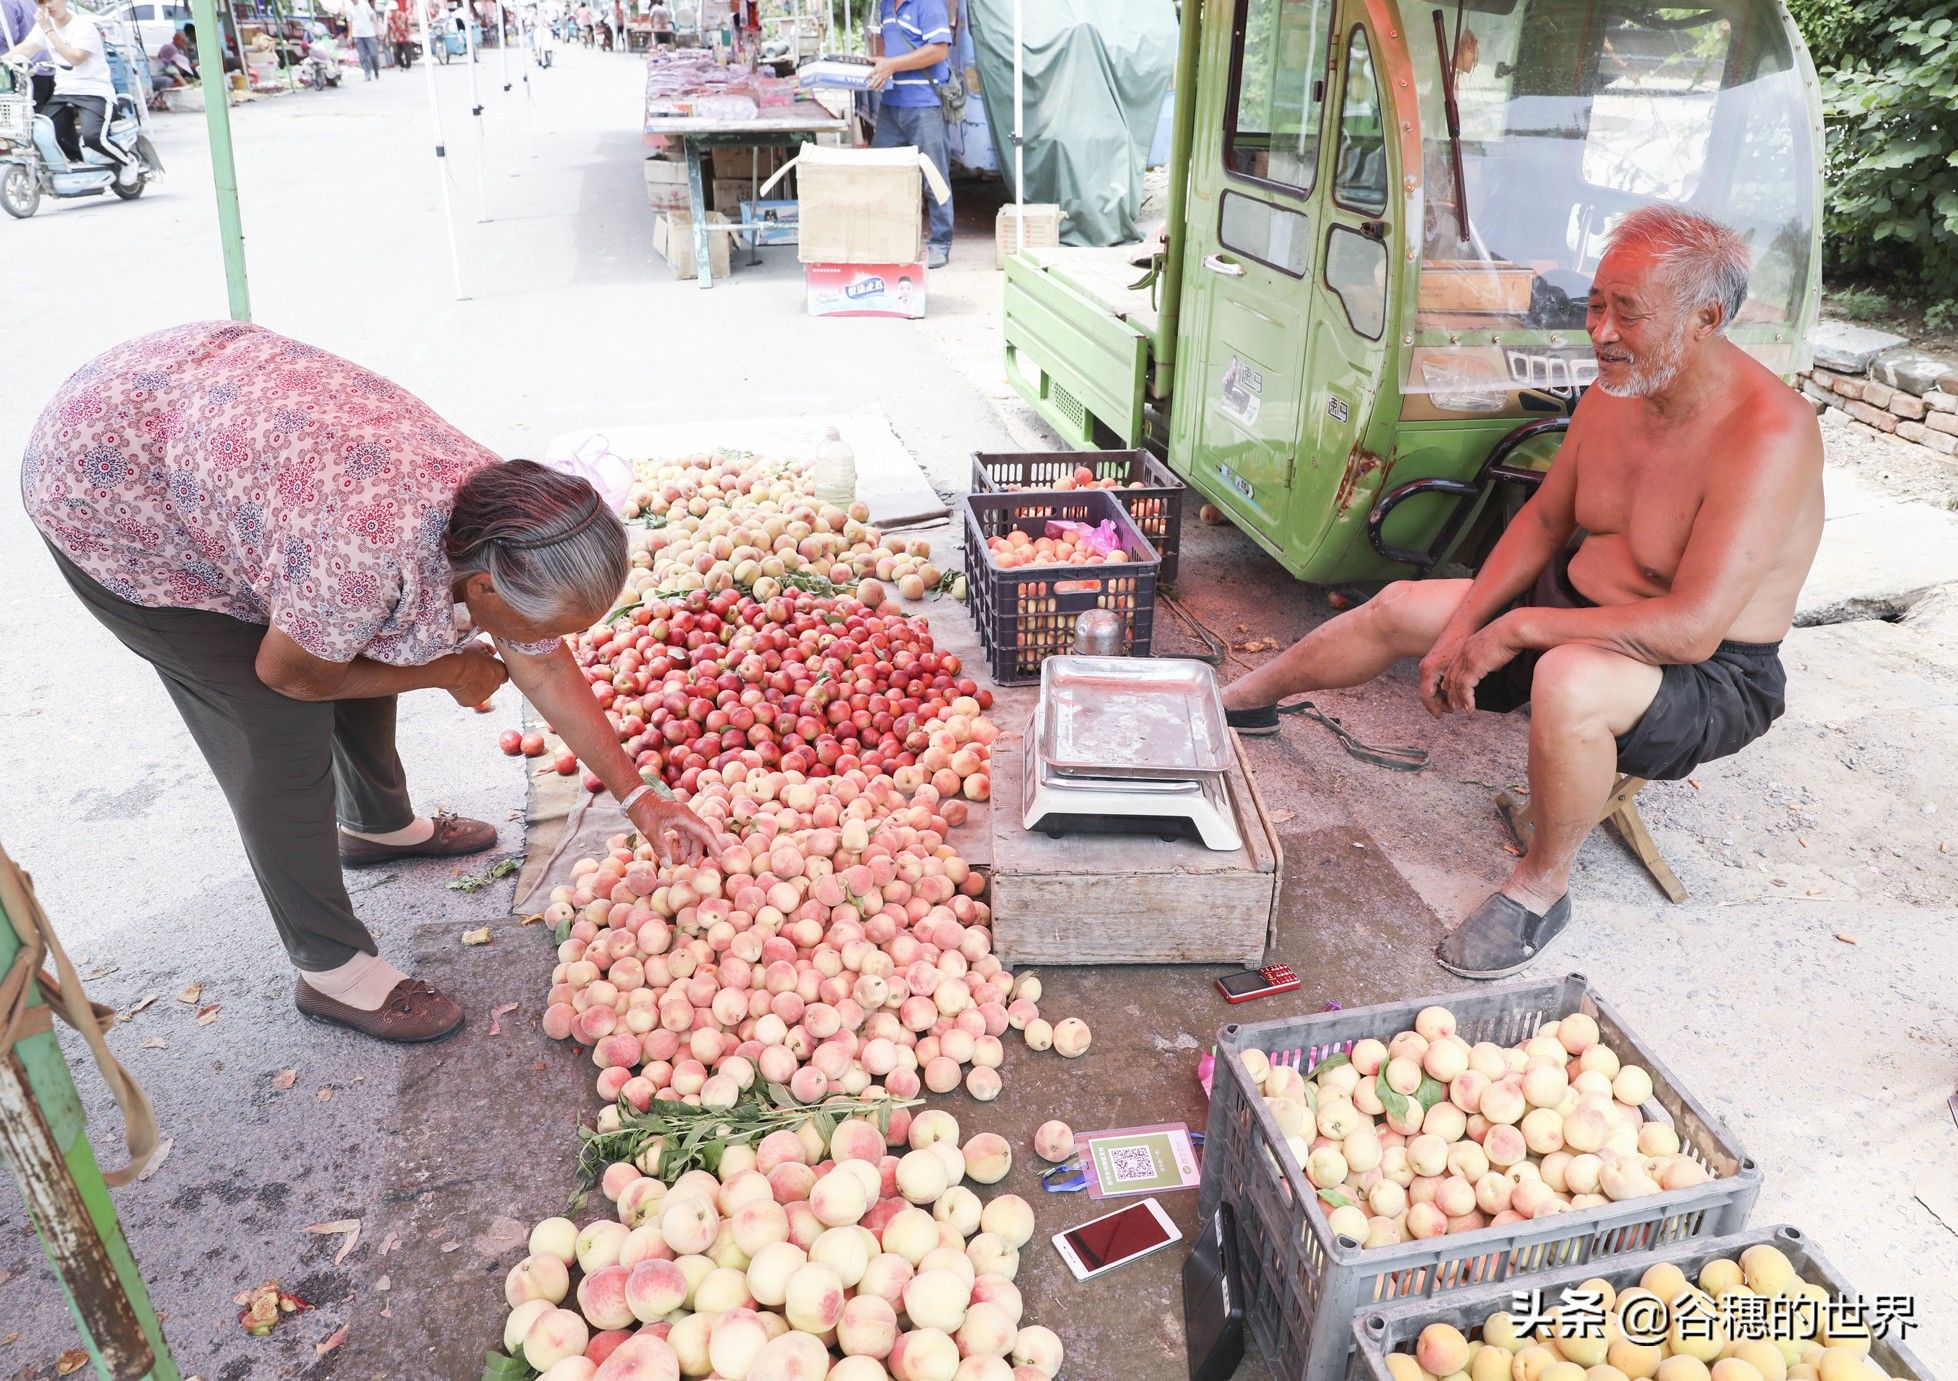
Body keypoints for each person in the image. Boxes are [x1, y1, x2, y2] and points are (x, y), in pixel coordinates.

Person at [22, 323, 718, 1042]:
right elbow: (291, 672)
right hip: (108, 483)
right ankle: (331, 967)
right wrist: (446, 670)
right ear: (482, 585)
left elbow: (537, 658)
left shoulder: (500, 516)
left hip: (212, 415)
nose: (543, 643)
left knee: (362, 630)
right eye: (536, 623)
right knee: (273, 721)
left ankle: (377, 826)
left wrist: (641, 798)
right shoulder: (362, 553)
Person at [1220, 207, 1824, 980]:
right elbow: (1542, 521)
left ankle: (1542, 887)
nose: (1600, 331)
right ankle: (1244, 697)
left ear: (1705, 318)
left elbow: (1693, 629)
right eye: (1595, 303)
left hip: (1703, 674)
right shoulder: (1620, 387)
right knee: (1405, 605)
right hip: (1574, 609)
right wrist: (1464, 626)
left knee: (1565, 678)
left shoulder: (1769, 435)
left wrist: (1517, 631)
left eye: (1627, 313)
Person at [1, 0, 139, 185]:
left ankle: (128, 160)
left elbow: (75, 58)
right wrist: (3, 61)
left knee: (93, 137)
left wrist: (49, 30)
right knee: (41, 131)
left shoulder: (83, 26)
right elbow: (26, 48)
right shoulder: (43, 27)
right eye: (42, 2)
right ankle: (70, 166)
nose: (48, 5)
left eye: (51, 0)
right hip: (64, 91)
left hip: (94, 91)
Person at [866, 0, 953, 269]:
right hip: (892, 105)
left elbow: (938, 51)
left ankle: (941, 242)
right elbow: (889, 51)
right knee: (879, 174)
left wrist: (892, 65)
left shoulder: (928, 4)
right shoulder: (885, 7)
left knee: (934, 176)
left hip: (924, 104)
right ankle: (886, 239)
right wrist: (879, 64)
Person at [0, 0, 54, 108]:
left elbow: (8, 35)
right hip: (42, 71)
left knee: (20, 121)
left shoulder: (5, 3)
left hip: (24, 75)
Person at [347, 0, 381, 78]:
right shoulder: (349, 7)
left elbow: (372, 17)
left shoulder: (365, 4)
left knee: (374, 55)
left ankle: (376, 70)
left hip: (369, 34)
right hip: (357, 35)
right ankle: (367, 72)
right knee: (362, 56)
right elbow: (349, 22)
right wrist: (349, 35)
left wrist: (378, 28)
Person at [386, 0, 412, 67]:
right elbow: (389, 28)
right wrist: (388, 38)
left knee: (407, 52)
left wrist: (409, 34)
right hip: (395, 38)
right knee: (396, 52)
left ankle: (408, 65)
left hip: (404, 37)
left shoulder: (403, 15)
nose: (391, 11)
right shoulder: (389, 18)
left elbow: (407, 24)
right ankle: (402, 65)